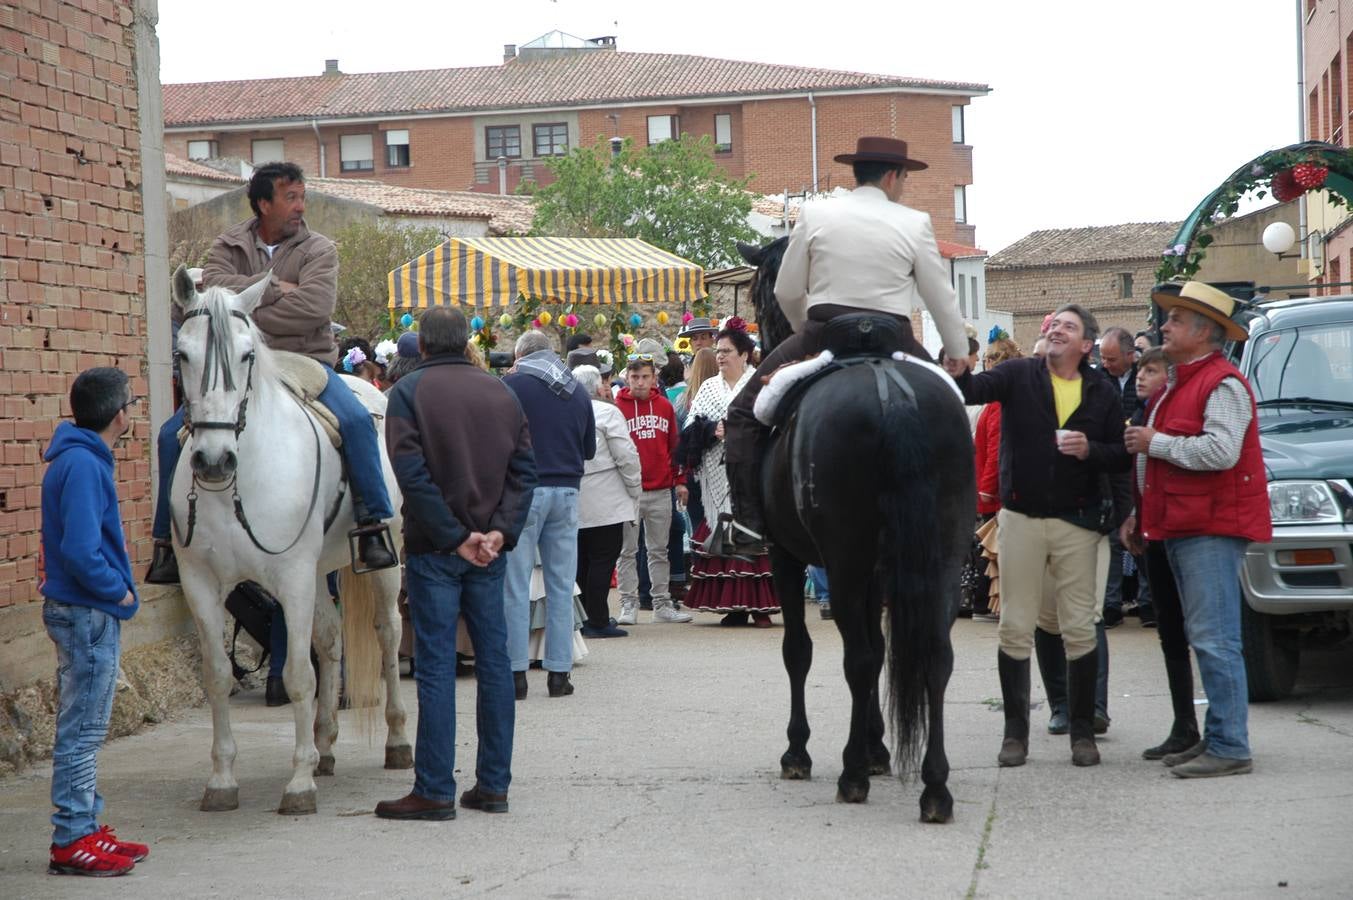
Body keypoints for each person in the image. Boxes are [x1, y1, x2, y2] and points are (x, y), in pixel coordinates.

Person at [145, 161, 397, 584]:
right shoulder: (225, 245)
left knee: (355, 420)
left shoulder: (320, 249)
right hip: (241, 363)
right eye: (291, 197)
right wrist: (278, 288)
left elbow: (314, 308)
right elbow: (212, 293)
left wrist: (240, 310)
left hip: (303, 360)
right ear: (264, 203)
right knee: (170, 436)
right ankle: (166, 542)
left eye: (302, 196)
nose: (301, 206)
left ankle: (372, 525)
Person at [724, 136, 969, 551]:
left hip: (825, 330)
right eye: (904, 178)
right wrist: (958, 352)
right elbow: (940, 296)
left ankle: (748, 524)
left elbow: (786, 291)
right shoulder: (915, 222)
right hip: (896, 336)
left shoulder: (814, 215)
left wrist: (807, 336)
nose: (904, 186)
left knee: (743, 413)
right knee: (954, 411)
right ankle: (960, 514)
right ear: (892, 176)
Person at [945, 303, 1129, 768]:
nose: (1057, 330)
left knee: (1079, 627)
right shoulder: (1018, 375)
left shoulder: (1101, 390)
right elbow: (970, 390)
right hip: (1020, 518)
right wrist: (958, 365)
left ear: (1086, 344)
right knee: (1014, 626)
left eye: (1068, 326)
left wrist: (1091, 450)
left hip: (1078, 523)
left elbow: (1120, 458)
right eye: (1053, 326)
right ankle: (1015, 736)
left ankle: (1082, 733)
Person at [376, 307, 536, 821]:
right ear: (468, 341)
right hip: (487, 550)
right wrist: (496, 533)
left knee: (438, 667)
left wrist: (453, 536)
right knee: (493, 664)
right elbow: (523, 472)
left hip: (436, 550)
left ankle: (435, 788)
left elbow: (412, 475)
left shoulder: (407, 393)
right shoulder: (501, 391)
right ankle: (493, 785)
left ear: (421, 345)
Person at [1123, 281, 1270, 779]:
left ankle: (1229, 745)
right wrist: (1141, 515)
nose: (1165, 326)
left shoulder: (1222, 384)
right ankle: (1219, 736)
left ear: (1205, 332)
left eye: (1177, 320)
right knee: (1208, 635)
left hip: (1208, 527)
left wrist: (1155, 442)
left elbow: (1220, 452)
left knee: (1215, 637)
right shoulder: (1184, 382)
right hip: (1184, 525)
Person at [40, 367, 150, 876]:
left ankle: (84, 827)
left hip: (84, 611)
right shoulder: (84, 465)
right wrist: (119, 590)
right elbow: (82, 551)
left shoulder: (80, 457)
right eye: (131, 403)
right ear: (119, 414)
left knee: (85, 727)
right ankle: (71, 839)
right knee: (83, 731)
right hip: (88, 612)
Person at [500, 332, 595, 699]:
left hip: (525, 490)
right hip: (568, 490)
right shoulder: (576, 389)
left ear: (521, 355)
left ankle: (515, 675)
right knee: (560, 585)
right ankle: (559, 673)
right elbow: (588, 449)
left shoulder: (512, 386)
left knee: (516, 585)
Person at [1124, 347, 1198, 760]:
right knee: (1169, 627)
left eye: (1150, 370)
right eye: (1139, 370)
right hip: (1152, 526)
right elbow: (1142, 473)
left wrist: (1155, 441)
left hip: (1185, 529)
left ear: (1170, 375)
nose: (1140, 377)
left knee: (1202, 630)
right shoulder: (1148, 408)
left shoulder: (1173, 407)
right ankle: (1183, 723)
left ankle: (1219, 732)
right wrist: (1135, 515)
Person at [681, 320, 779, 626]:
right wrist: (713, 429)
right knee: (725, 530)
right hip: (717, 472)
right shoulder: (709, 388)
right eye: (719, 351)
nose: (720, 356)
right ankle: (735, 605)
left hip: (754, 470)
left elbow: (777, 423)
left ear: (745, 354)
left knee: (753, 532)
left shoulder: (761, 384)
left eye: (727, 351)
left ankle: (760, 606)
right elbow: (690, 429)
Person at [613, 355, 692, 624]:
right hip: (628, 491)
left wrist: (680, 480)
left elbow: (675, 445)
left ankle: (661, 603)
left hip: (660, 489)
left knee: (659, 549)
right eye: (635, 377)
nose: (640, 382)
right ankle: (628, 604)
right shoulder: (618, 408)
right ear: (627, 378)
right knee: (627, 551)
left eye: (645, 377)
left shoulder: (664, 407)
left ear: (654, 378)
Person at [572, 364, 641, 638]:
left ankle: (583, 616)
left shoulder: (567, 411)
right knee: (603, 558)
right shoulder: (607, 412)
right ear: (599, 386)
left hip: (575, 495)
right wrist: (635, 486)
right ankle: (597, 619)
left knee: (582, 561)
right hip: (606, 498)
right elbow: (625, 454)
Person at [1097, 326, 1152, 628]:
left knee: (1143, 534)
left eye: (1112, 358)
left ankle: (1148, 603)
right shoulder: (1097, 379)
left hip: (1142, 463)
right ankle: (1110, 605)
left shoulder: (1146, 375)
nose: (1105, 364)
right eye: (1103, 358)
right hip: (1110, 467)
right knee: (1113, 537)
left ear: (1131, 356)